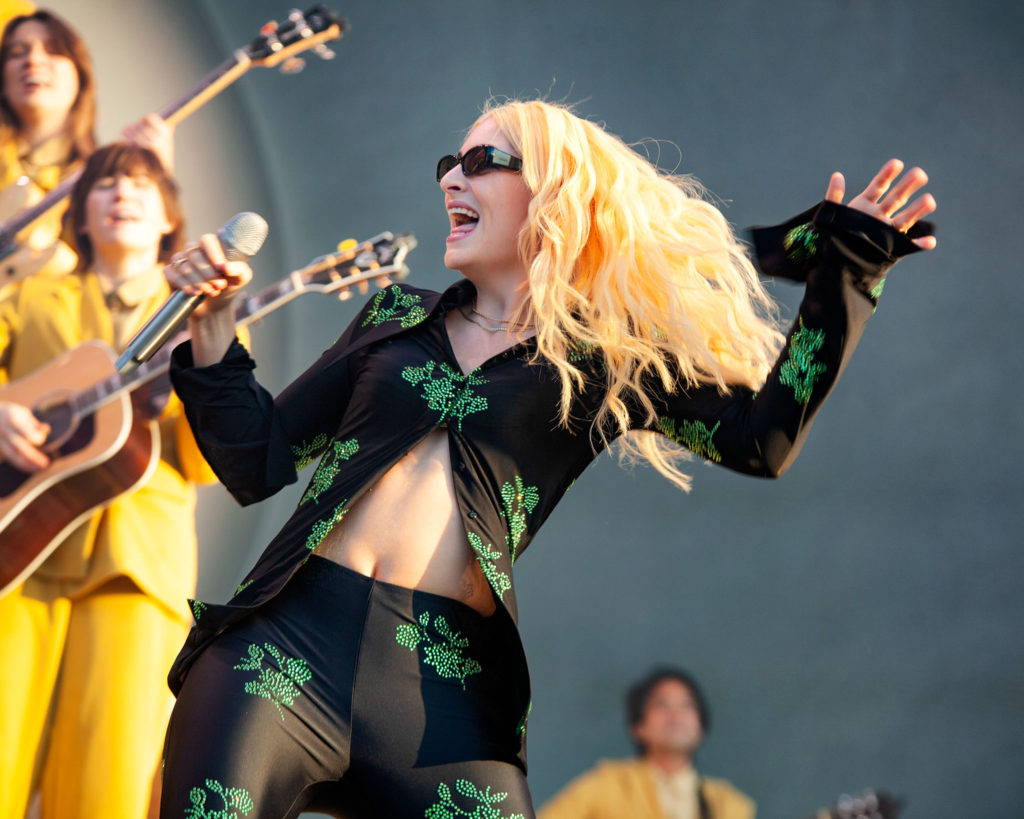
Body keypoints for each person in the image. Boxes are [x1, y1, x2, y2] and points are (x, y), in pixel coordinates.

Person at [158, 98, 936, 818]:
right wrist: (216, 322)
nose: (451, 180)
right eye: (447, 166)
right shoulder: (393, 316)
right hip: (283, 647)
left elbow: (760, 441)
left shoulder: (608, 362)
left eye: (480, 162)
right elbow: (256, 458)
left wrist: (846, 272)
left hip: (441, 695)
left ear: (556, 193)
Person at [0, 142, 217, 819]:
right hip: (15, 557)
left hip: (134, 569)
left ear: (168, 221)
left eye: (143, 184)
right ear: (80, 216)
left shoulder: (202, 317)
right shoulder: (29, 295)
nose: (123, 192)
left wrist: (212, 357)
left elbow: (211, 460)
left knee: (107, 790)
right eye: (105, 184)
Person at [0, 8, 172, 290]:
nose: (33, 60)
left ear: (80, 78)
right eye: (17, 52)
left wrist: (157, 184)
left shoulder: (103, 183)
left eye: (54, 50)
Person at [539, 667, 754, 819]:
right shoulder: (607, 786)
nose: (675, 715)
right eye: (661, 705)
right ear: (638, 727)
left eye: (687, 705)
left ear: (702, 728)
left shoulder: (728, 805)